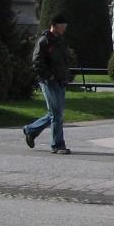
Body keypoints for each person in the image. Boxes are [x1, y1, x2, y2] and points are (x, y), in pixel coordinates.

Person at [23, 14, 73, 154]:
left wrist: (65, 76)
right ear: (55, 25)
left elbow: (64, 61)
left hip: (60, 81)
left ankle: (30, 130)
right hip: (49, 82)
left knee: (56, 113)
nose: (64, 29)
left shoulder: (61, 41)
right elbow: (37, 62)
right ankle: (57, 145)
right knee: (56, 114)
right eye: (63, 26)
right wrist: (48, 76)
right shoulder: (44, 41)